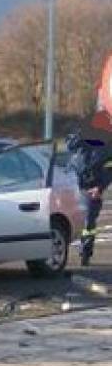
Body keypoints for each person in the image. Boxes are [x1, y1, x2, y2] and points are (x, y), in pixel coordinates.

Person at [67, 114, 112, 266]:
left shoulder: (108, 144)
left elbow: (109, 169)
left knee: (89, 221)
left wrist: (100, 187)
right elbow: (70, 146)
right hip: (72, 183)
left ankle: (85, 251)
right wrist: (80, 136)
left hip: (93, 186)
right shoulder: (82, 138)